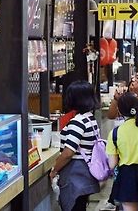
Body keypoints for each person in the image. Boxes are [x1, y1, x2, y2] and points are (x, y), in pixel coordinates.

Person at [50, 81, 100, 211]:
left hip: (76, 174)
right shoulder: (90, 118)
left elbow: (68, 153)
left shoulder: (78, 122)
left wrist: (55, 169)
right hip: (85, 173)